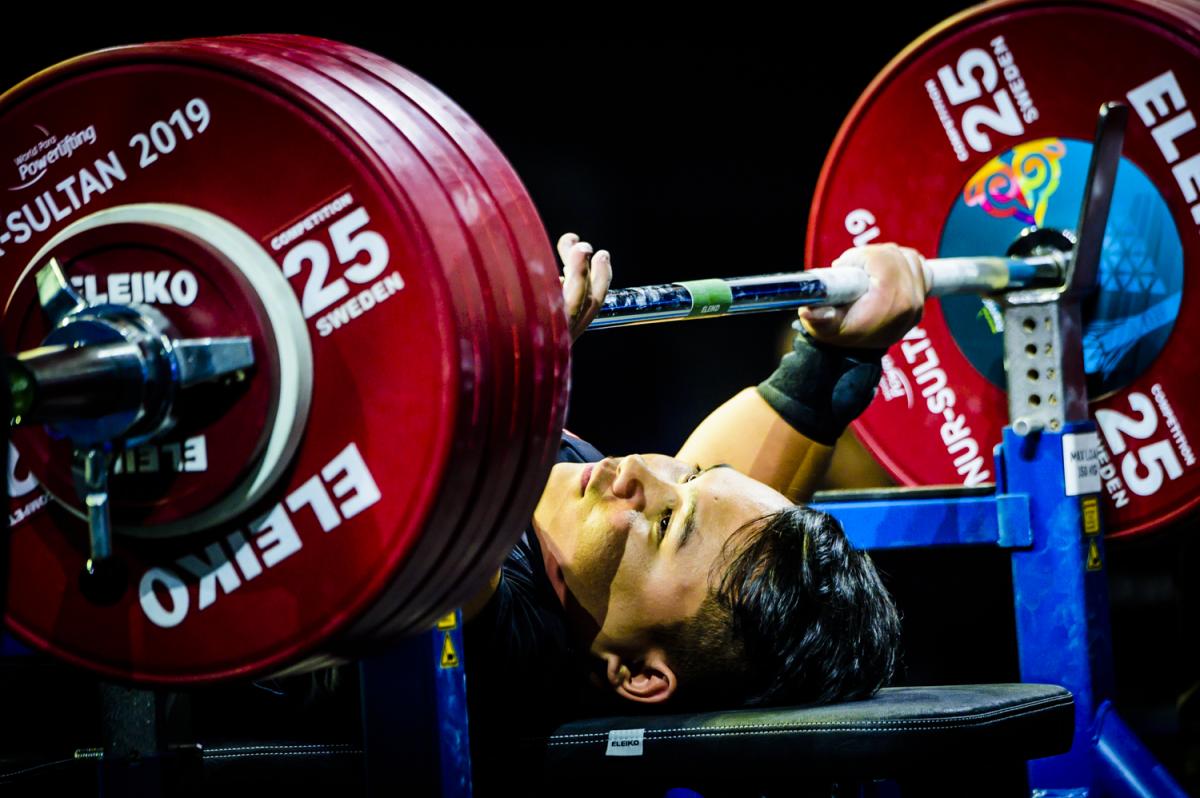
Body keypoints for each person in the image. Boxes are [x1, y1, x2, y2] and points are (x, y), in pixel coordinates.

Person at [463, 233, 927, 752]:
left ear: (638, 674)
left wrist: (512, 372)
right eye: (687, 475)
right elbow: (786, 416)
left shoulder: (513, 646)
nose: (636, 468)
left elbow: (426, 490)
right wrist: (837, 348)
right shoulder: (601, 532)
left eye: (664, 525)